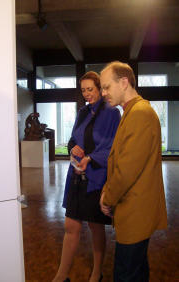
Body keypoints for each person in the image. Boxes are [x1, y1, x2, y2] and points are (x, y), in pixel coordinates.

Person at [99, 61, 168, 282]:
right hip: (133, 208)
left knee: (125, 274)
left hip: (135, 210)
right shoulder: (132, 111)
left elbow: (126, 171)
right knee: (136, 271)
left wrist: (107, 198)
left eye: (107, 87)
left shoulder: (140, 113)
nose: (103, 93)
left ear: (124, 82)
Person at [52, 71, 121, 282]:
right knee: (70, 226)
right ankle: (61, 276)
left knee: (95, 226)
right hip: (76, 176)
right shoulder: (82, 112)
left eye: (90, 89)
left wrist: (89, 158)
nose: (86, 94)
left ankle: (96, 273)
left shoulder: (112, 112)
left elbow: (112, 146)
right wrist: (74, 149)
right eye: (83, 90)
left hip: (96, 178)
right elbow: (72, 140)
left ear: (100, 88)